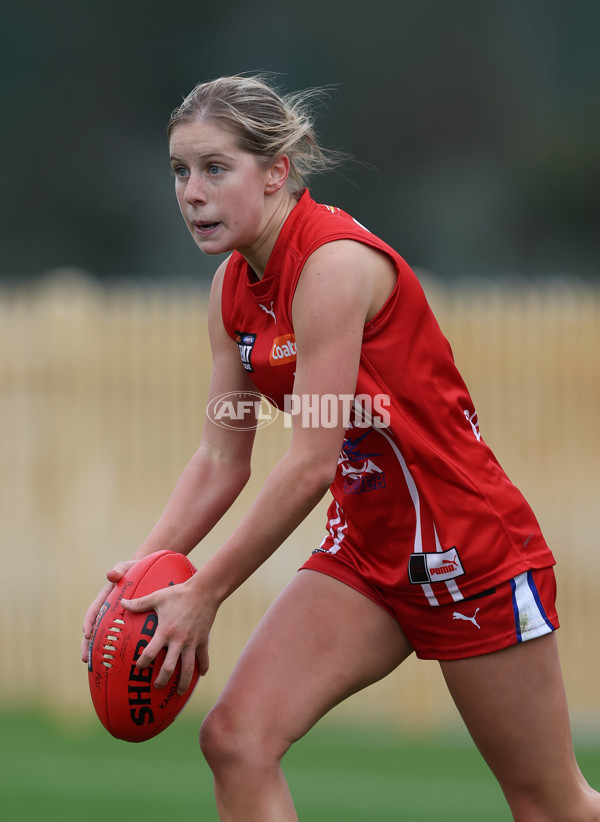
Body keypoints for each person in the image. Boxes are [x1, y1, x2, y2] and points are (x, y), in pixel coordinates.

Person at [82, 74, 600, 821]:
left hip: (467, 553)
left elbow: (310, 463)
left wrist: (206, 591)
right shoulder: (234, 290)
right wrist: (139, 577)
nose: (191, 192)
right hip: (367, 553)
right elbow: (222, 458)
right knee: (235, 740)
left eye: (215, 168)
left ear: (277, 171)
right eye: (179, 171)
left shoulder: (332, 269)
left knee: (552, 807)